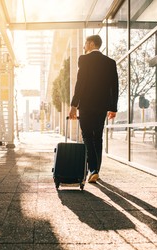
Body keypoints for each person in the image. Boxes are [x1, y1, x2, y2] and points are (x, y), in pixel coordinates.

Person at [69, 34, 118, 183]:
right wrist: (113, 107)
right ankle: (96, 170)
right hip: (102, 106)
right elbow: (114, 86)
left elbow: (80, 83)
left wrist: (73, 105)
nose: (84, 47)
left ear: (90, 44)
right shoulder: (110, 62)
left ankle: (93, 169)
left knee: (87, 136)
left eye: (85, 44)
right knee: (98, 137)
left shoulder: (84, 59)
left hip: (86, 105)